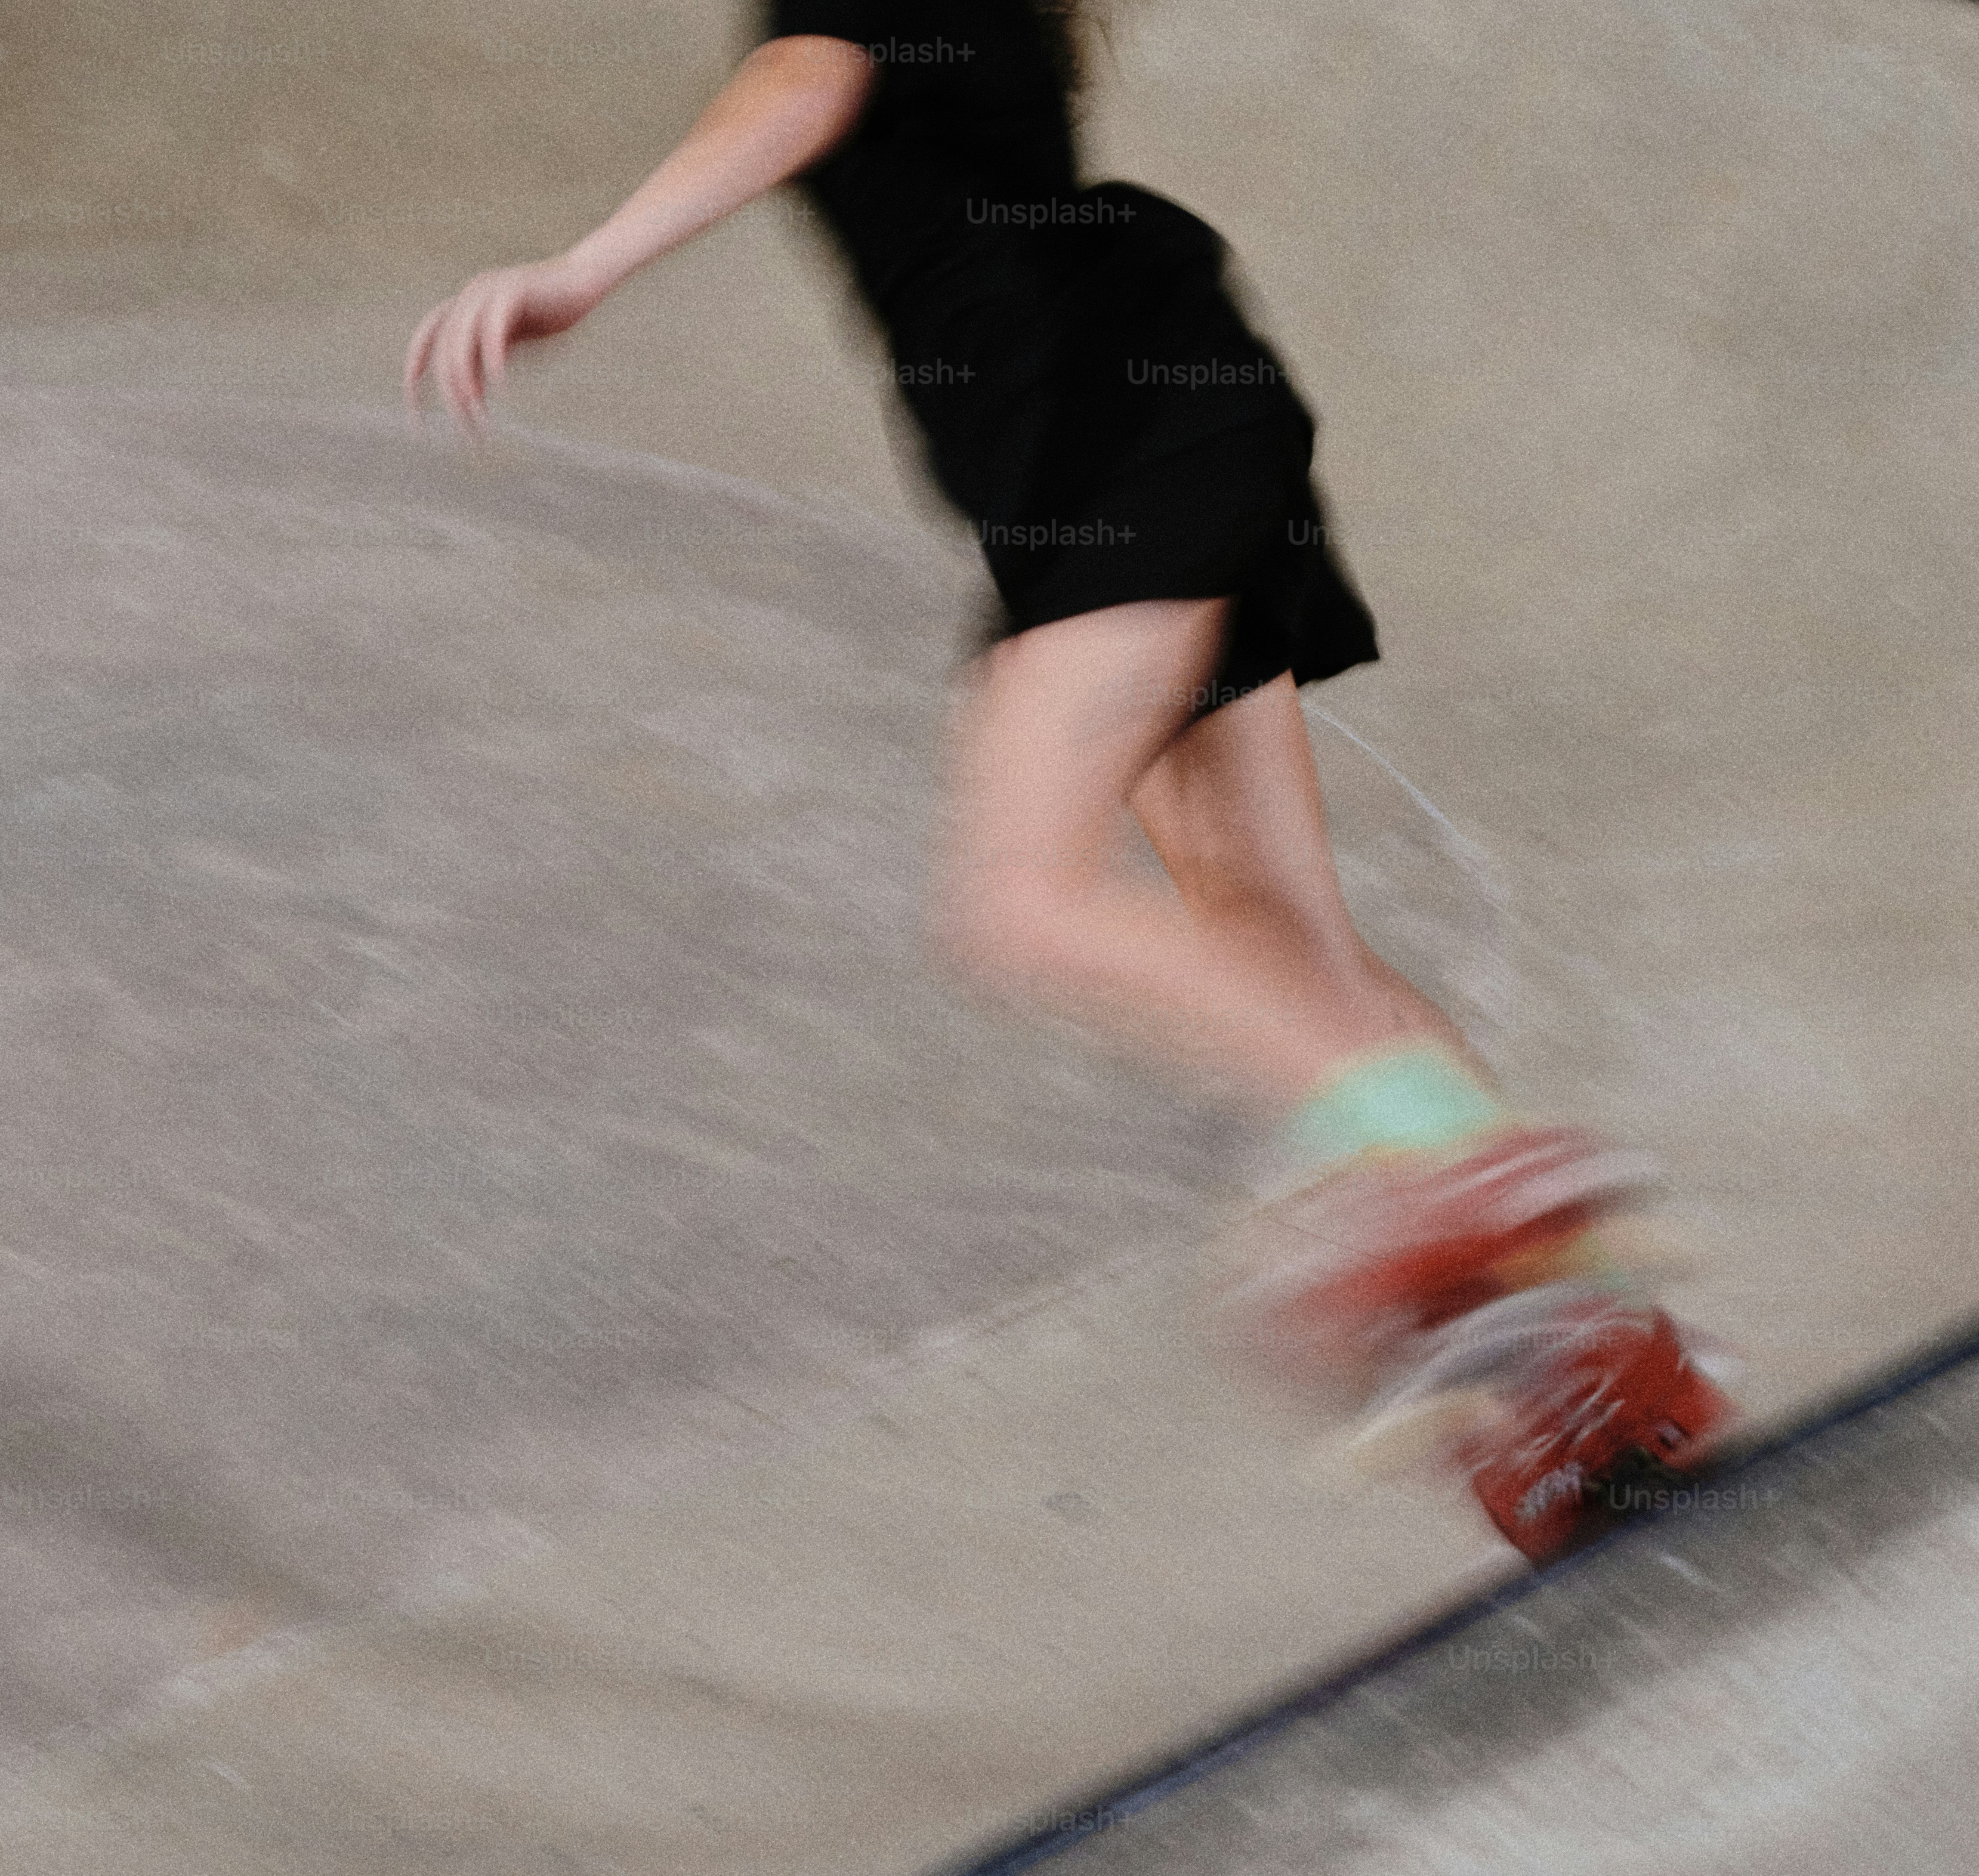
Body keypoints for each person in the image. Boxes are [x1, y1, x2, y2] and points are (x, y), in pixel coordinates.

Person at [402, 0, 1726, 1557]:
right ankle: (1591, 1368)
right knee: (1273, 934)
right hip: (1147, 416)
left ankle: (1477, 1175)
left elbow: (806, 83)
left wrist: (587, 265)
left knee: (1018, 904)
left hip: (1113, 439)